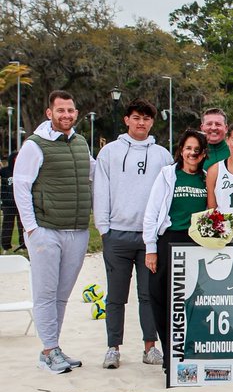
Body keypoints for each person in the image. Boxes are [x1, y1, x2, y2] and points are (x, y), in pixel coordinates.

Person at [14, 90, 94, 373]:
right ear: (50, 113)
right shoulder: (34, 145)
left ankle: (54, 346)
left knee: (62, 294)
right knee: (45, 293)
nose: (66, 115)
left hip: (77, 230)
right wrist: (32, 228)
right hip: (46, 230)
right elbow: (21, 186)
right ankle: (48, 351)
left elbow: (91, 176)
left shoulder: (81, 143)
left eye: (70, 110)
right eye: (60, 111)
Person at [94, 98, 172, 368]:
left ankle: (150, 347)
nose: (141, 122)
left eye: (147, 118)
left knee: (148, 294)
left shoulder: (162, 154)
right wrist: (104, 229)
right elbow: (101, 191)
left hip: (149, 237)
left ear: (152, 122)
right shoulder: (110, 152)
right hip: (117, 234)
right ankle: (113, 347)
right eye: (136, 117)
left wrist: (159, 230)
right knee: (116, 296)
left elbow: (166, 195)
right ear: (127, 119)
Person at [143, 130, 210, 363]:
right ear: (181, 150)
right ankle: (169, 351)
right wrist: (151, 248)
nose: (192, 153)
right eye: (188, 148)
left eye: (197, 150)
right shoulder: (168, 175)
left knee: (192, 299)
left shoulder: (206, 178)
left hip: (196, 243)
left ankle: (191, 348)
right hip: (169, 240)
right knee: (161, 297)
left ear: (203, 155)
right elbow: (152, 212)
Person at [0, 151, 23, 250]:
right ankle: (5, 245)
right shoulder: (5, 171)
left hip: (21, 202)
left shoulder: (24, 171)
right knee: (7, 224)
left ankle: (23, 244)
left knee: (22, 225)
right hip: (8, 203)